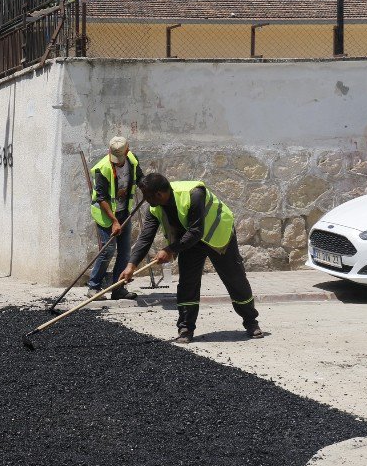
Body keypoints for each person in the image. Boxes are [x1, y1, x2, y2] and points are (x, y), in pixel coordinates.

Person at [119, 173, 263, 343]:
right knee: (188, 283)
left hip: (217, 234)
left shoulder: (194, 194)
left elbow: (197, 231)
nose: (145, 200)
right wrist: (131, 265)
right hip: (188, 241)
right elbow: (145, 237)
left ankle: (251, 322)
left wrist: (169, 250)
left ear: (158, 194)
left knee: (235, 278)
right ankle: (185, 328)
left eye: (147, 196)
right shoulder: (154, 208)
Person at [87, 136, 143, 299]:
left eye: (120, 158)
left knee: (125, 252)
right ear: (109, 152)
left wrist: (148, 188)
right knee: (108, 250)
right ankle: (93, 287)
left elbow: (140, 178)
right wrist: (114, 221)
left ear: (127, 150)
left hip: (124, 211)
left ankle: (118, 289)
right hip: (106, 214)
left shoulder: (132, 160)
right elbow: (102, 197)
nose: (117, 162)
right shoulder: (102, 168)